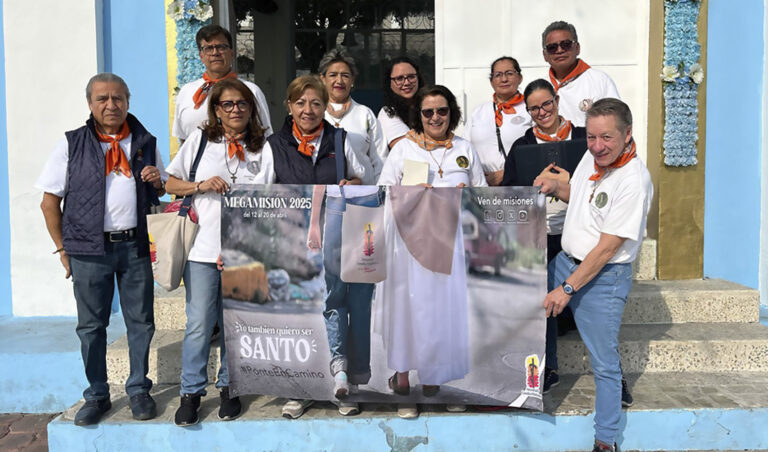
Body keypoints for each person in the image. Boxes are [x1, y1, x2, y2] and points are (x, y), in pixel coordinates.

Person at [36, 73, 165, 426]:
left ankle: (139, 389)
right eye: (103, 99)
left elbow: (160, 190)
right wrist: (63, 249)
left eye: (118, 98)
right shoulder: (71, 144)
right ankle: (97, 394)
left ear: (128, 101)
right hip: (88, 251)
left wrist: (157, 180)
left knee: (141, 322)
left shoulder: (144, 141)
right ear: (90, 104)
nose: (111, 105)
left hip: (135, 247)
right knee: (91, 327)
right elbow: (49, 202)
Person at [536, 98, 652, 452]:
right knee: (524, 305)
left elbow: (606, 248)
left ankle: (606, 441)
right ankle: (543, 373)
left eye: (607, 138)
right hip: (565, 262)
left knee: (604, 364)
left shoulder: (634, 180)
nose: (598, 146)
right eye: (591, 137)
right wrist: (558, 188)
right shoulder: (594, 156)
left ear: (627, 134)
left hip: (602, 278)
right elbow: (588, 200)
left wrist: (566, 289)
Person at [377, 85, 487, 419]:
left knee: (443, 313)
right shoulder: (403, 149)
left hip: (450, 247)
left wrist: (466, 197)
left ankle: (436, 380)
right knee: (409, 313)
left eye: (442, 111)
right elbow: (383, 191)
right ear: (419, 116)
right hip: (408, 249)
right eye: (428, 112)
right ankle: (405, 383)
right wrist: (409, 193)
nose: (436, 117)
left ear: (451, 112)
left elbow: (482, 196)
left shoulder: (464, 149)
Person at [259, 75, 365, 419]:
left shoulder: (341, 139)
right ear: (289, 106)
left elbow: (364, 177)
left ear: (326, 107)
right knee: (298, 309)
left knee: (334, 304)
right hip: (291, 240)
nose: (308, 110)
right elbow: (260, 195)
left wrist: (354, 182)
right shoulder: (273, 145)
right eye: (301, 103)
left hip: (335, 237)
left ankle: (341, 378)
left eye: (316, 103)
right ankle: (298, 387)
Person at [165, 78, 269, 426]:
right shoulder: (199, 141)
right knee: (198, 324)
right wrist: (201, 185)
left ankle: (229, 386)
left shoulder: (263, 148)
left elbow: (269, 200)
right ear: (217, 110)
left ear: (251, 108)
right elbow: (169, 182)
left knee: (235, 324)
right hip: (202, 248)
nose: (235, 109)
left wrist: (243, 245)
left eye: (242, 103)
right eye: (228, 104)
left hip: (245, 250)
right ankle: (191, 392)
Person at [501, 78, 584, 393]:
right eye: (534, 108)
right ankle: (547, 366)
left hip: (576, 232)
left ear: (557, 100)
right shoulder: (522, 146)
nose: (542, 111)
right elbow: (508, 193)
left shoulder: (582, 138)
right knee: (542, 298)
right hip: (538, 233)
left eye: (546, 104)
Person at [173, 24, 272, 144]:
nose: (215, 53)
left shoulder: (251, 91)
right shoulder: (187, 92)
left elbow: (265, 136)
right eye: (208, 48)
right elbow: (183, 138)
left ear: (231, 53)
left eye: (221, 47)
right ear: (201, 56)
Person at [319, 47, 386, 184]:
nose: (339, 81)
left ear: (353, 79)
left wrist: (380, 193)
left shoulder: (365, 114)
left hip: (362, 196)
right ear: (323, 79)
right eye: (333, 75)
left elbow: (380, 159)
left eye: (345, 75)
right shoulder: (311, 114)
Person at [466, 56, 532, 185]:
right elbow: (465, 148)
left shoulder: (531, 109)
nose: (504, 79)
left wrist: (505, 173)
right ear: (491, 81)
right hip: (483, 186)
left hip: (519, 184)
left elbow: (537, 149)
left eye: (509, 73)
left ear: (520, 78)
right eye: (498, 75)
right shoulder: (478, 112)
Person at [541, 21, 620, 127]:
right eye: (552, 47)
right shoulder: (540, 87)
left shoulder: (600, 80)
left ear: (577, 48)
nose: (559, 50)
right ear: (545, 55)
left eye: (566, 45)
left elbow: (616, 123)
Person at [377, 56, 425, 151]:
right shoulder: (388, 113)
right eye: (399, 79)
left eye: (411, 77)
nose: (407, 83)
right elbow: (405, 148)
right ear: (389, 83)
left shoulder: (429, 106)